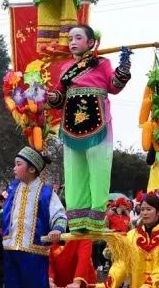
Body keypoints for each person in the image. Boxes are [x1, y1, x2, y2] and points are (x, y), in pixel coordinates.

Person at [46, 24, 131, 232]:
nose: (72, 42)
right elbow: (59, 97)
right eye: (70, 39)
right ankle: (77, 218)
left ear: (91, 42)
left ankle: (96, 217)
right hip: (71, 123)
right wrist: (50, 97)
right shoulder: (65, 68)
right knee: (74, 169)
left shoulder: (102, 63)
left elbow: (114, 86)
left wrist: (123, 71)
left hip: (97, 121)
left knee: (98, 167)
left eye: (78, 38)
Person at [2, 148, 67, 288]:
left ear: (31, 169)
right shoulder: (13, 189)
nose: (14, 168)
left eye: (18, 164)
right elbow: (5, 216)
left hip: (35, 251)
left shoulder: (46, 192)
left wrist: (57, 229)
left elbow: (59, 214)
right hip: (11, 249)